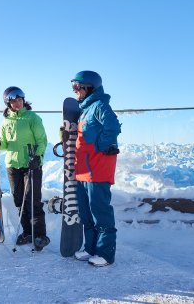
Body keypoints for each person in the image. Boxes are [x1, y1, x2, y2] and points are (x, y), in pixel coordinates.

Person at [71, 71, 121, 267]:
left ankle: (106, 254)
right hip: (83, 170)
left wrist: (101, 148)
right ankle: (91, 248)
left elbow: (113, 128)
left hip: (96, 170)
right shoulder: (86, 109)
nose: (75, 90)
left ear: (89, 87)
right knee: (86, 214)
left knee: (100, 213)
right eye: (73, 86)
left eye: (77, 86)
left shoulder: (100, 106)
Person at [0, 86, 50, 250]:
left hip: (32, 164)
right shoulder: (6, 121)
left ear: (23, 100)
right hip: (13, 165)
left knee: (32, 200)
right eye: (14, 101)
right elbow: (5, 145)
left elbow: (42, 140)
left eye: (20, 100)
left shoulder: (32, 118)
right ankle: (28, 232)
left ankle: (40, 236)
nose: (17, 103)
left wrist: (37, 158)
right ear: (8, 103)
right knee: (19, 201)